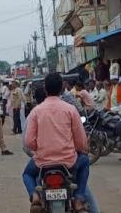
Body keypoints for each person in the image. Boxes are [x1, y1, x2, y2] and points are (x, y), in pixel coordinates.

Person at [23, 84, 100, 213]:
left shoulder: (35, 112)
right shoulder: (70, 109)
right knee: (85, 161)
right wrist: (81, 149)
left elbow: (28, 142)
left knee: (27, 174)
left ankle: (35, 196)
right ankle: (78, 199)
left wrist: (40, 149)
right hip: (68, 162)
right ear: (61, 90)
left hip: (43, 162)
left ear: (46, 90)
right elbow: (81, 141)